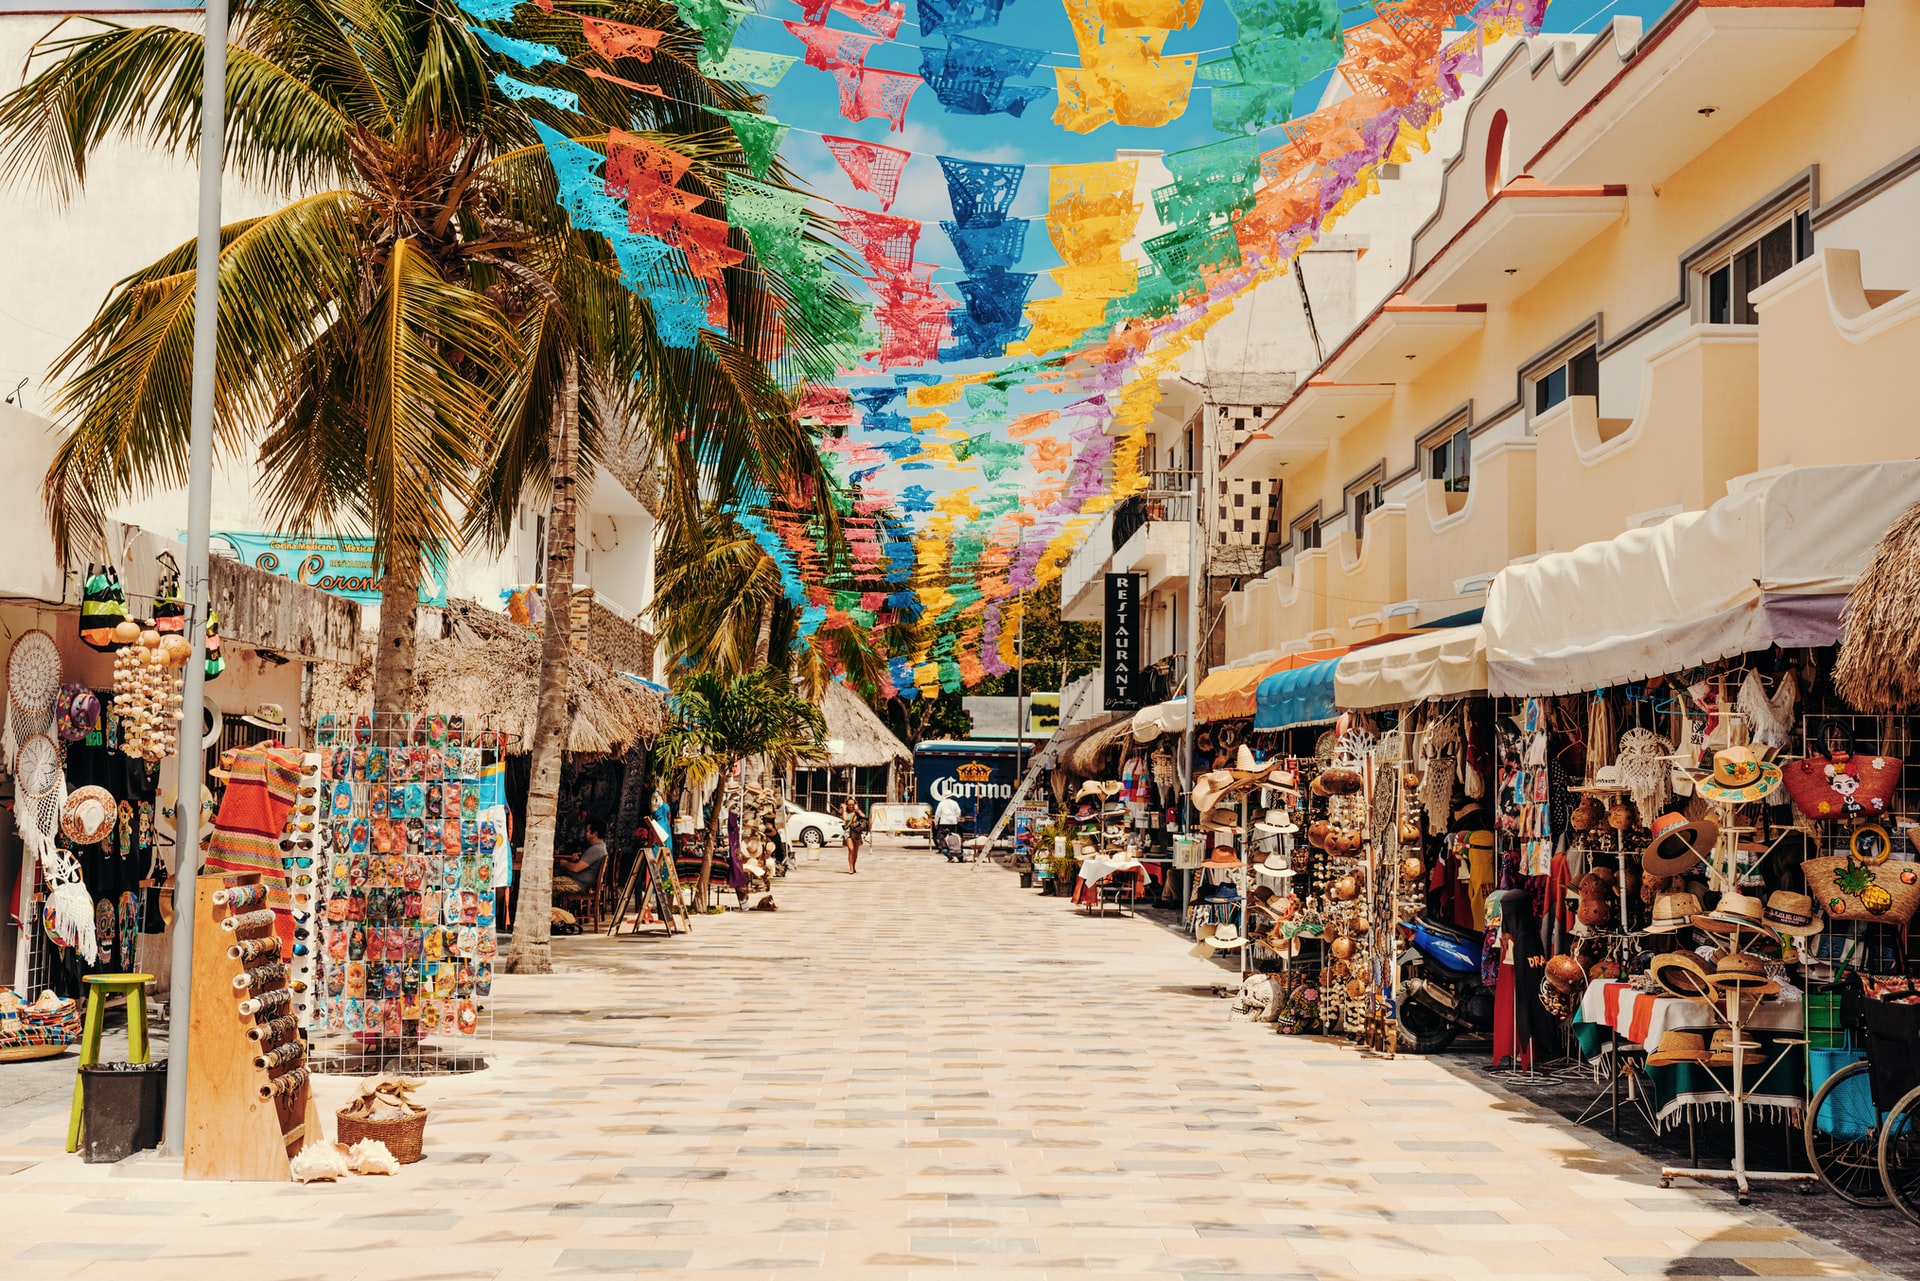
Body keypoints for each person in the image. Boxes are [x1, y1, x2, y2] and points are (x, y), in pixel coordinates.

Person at [556, 821, 609, 894]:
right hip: (581, 882)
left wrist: (564, 863)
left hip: (578, 884)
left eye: (587, 831)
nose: (585, 833)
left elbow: (575, 868)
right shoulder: (600, 847)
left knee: (548, 883)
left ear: (595, 834)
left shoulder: (596, 849)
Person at [839, 798, 868, 874]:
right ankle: (851, 868)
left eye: (852, 804)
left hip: (856, 832)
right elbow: (846, 819)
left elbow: (863, 816)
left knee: (855, 851)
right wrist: (844, 809)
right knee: (851, 849)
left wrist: (857, 809)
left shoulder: (857, 812)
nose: (851, 806)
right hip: (848, 832)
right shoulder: (846, 812)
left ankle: (853, 866)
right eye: (849, 805)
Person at [933, 793, 963, 860]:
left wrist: (936, 822)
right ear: (951, 796)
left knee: (942, 838)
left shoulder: (941, 803)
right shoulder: (955, 803)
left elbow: (937, 813)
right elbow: (958, 813)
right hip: (953, 822)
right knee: (953, 838)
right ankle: (957, 853)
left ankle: (947, 854)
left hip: (944, 822)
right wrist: (957, 820)